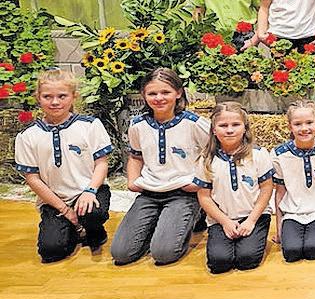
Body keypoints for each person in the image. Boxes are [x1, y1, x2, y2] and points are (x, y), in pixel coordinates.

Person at [110, 68, 211, 265]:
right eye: (152, 93)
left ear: (178, 93)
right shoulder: (137, 125)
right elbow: (136, 156)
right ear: (143, 95)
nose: (159, 98)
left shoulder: (194, 123)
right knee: (121, 253)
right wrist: (132, 180)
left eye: (165, 92)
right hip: (150, 192)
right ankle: (160, 222)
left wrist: (200, 182)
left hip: (183, 192)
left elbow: (215, 153)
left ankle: (195, 214)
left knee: (163, 254)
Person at [14, 69, 113, 262]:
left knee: (93, 214)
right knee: (51, 251)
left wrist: (90, 191)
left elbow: (102, 164)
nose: (55, 102)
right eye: (47, 96)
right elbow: (33, 179)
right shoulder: (27, 136)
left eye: (62, 96)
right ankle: (72, 229)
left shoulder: (90, 125)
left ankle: (93, 229)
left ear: (74, 96)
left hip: (89, 192)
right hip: (55, 200)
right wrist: (65, 210)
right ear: (38, 98)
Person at [194, 102, 274, 273]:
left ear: (245, 128)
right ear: (214, 130)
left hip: (254, 217)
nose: (229, 130)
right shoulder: (206, 159)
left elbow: (266, 189)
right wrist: (225, 222)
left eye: (235, 125)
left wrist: (251, 220)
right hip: (221, 218)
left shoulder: (259, 155)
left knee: (247, 259)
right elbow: (204, 196)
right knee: (219, 263)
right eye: (223, 126)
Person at [272, 101, 315, 262]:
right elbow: (280, 192)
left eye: (309, 123)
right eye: (298, 124)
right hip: (292, 214)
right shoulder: (280, 154)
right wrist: (279, 227)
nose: (304, 128)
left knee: (313, 250)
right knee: (291, 253)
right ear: (290, 127)